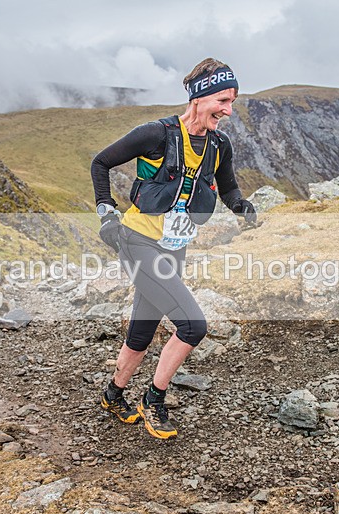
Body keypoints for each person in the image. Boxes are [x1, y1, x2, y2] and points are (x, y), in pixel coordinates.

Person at [90, 58, 256, 439]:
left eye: (232, 101)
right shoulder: (157, 134)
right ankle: (154, 399)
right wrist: (107, 216)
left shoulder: (218, 144)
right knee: (193, 324)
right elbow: (101, 163)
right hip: (138, 242)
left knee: (142, 331)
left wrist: (240, 206)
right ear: (199, 97)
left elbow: (227, 186)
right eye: (223, 100)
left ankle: (114, 395)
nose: (228, 110)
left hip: (174, 247)